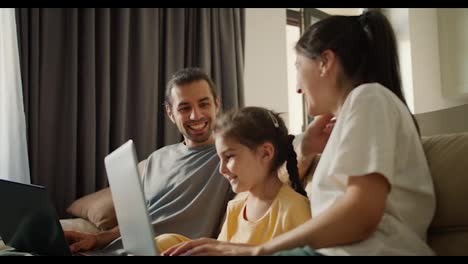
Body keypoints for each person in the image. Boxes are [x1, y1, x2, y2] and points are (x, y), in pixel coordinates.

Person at [164, 10, 436, 256]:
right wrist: (232, 247)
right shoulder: (355, 114)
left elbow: (361, 214)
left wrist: (257, 251)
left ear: (324, 62)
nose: (296, 86)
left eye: (297, 66)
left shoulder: (369, 98)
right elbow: (271, 183)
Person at [64, 67, 234, 253]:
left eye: (204, 104)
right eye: (185, 108)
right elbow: (137, 226)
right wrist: (96, 239)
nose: (196, 115)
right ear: (170, 114)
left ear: (217, 105)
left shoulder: (230, 157)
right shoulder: (157, 159)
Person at [157, 107, 312, 254]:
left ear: (266, 153)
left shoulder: (294, 209)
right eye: (220, 159)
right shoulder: (235, 208)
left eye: (229, 156)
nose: (221, 169)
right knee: (164, 242)